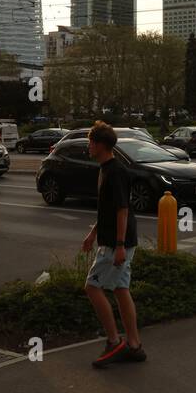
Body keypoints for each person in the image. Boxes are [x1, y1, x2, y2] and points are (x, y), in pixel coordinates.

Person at [81, 121, 145, 367]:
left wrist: (118, 245)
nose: (88, 146)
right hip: (118, 241)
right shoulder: (105, 168)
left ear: (100, 144)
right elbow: (106, 211)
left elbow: (122, 210)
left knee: (92, 288)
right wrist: (92, 234)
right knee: (120, 289)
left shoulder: (115, 171)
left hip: (117, 243)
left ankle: (114, 341)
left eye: (90, 142)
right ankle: (135, 345)